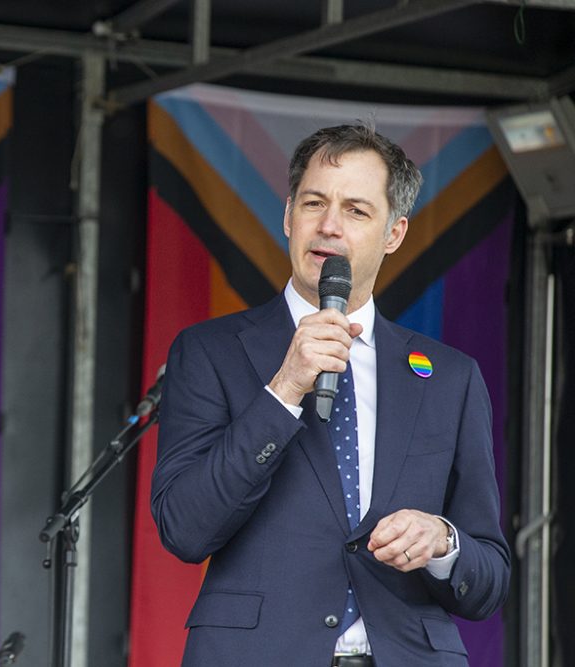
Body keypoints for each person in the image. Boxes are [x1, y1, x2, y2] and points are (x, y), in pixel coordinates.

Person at [151, 124, 510, 666]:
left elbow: (489, 579)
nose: (329, 227)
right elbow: (184, 528)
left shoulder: (450, 377)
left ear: (394, 234)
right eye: (314, 202)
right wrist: (283, 390)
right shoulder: (209, 352)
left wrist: (441, 541)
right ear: (288, 213)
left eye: (357, 211)